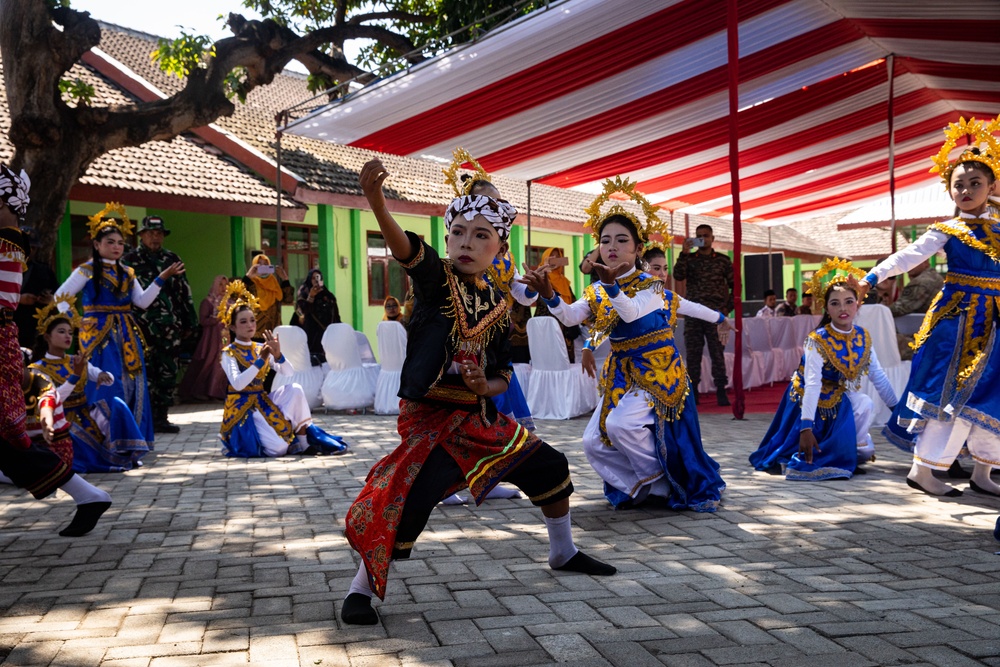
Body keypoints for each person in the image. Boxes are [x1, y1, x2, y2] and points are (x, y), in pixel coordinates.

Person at [341, 157, 615, 627]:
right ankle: (359, 589)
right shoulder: (437, 280)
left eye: (481, 235)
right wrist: (376, 202)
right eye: (459, 233)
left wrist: (480, 385)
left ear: (499, 249)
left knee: (551, 464)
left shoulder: (497, 301)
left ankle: (563, 552)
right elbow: (406, 249)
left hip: (478, 418)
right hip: (431, 421)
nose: (467, 242)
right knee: (408, 499)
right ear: (447, 241)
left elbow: (503, 375)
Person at [522, 176, 730, 513]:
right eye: (605, 240)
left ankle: (661, 481)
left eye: (622, 240)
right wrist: (548, 294)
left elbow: (633, 313)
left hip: (658, 368)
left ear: (637, 249)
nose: (612, 246)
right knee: (592, 442)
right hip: (621, 370)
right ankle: (648, 486)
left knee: (622, 425)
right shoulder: (597, 289)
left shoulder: (651, 285)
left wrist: (721, 319)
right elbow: (572, 317)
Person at [862, 117, 1000, 497]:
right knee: (950, 392)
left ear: (992, 187)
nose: (967, 190)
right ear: (950, 192)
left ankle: (984, 471)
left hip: (996, 322)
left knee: (993, 392)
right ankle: (923, 470)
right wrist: (872, 278)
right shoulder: (947, 230)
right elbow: (908, 256)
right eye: (959, 185)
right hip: (959, 322)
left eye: (976, 183)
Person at [0, 164, 112, 537]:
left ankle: (88, 494)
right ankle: (87, 495)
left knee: (9, 446)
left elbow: (4, 302)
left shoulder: (8, 241)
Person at [749, 262, 898, 480]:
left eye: (849, 302)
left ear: (858, 304)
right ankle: (829, 447)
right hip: (806, 400)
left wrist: (898, 411)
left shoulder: (862, 337)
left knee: (864, 403)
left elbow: (878, 377)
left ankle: (850, 452)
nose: (843, 309)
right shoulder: (817, 340)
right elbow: (812, 384)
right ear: (827, 309)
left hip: (836, 395)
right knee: (804, 450)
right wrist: (805, 428)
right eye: (835, 304)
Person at [55, 203, 183, 448]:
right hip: (98, 335)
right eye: (110, 242)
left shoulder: (127, 272)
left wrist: (162, 278)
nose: (116, 247)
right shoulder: (87, 270)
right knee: (104, 382)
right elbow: (61, 297)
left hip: (126, 332)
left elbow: (142, 302)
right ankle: (102, 439)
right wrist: (76, 322)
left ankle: (130, 438)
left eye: (120, 243)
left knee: (132, 382)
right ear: (97, 244)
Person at [217, 280, 347, 458]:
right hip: (242, 410)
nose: (250, 325)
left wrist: (278, 356)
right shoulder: (229, 353)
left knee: (295, 388)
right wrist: (261, 361)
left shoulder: (258, 347)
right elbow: (238, 384)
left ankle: (303, 443)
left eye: (252, 320)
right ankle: (267, 438)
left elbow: (289, 373)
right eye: (243, 322)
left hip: (261, 401)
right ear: (232, 327)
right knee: (278, 449)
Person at [29, 296, 149, 472]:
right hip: (62, 419)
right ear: (47, 336)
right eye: (62, 332)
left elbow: (101, 374)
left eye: (70, 333)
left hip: (86, 413)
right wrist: (75, 376)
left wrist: (102, 375)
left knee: (117, 404)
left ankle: (124, 451)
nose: (67, 336)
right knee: (77, 444)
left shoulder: (76, 360)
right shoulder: (38, 369)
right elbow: (54, 398)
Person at [122, 216, 198, 433]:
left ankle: (162, 417)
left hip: (168, 327)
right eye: (151, 233)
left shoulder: (172, 259)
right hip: (141, 326)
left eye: (159, 234)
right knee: (144, 372)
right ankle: (143, 418)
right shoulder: (129, 261)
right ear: (142, 235)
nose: (155, 237)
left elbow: (184, 291)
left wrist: (190, 321)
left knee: (167, 371)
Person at [672, 223, 733, 406]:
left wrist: (726, 308)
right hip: (694, 314)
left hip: (715, 313)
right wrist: (683, 252)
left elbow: (735, 284)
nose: (703, 239)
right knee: (693, 354)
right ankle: (694, 391)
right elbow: (678, 275)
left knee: (717, 353)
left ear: (713, 238)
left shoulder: (722, 260)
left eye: (706, 235)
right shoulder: (689, 259)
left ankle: (721, 390)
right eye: (699, 236)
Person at [177, 275, 230, 402]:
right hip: (211, 338)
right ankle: (201, 392)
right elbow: (203, 321)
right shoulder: (207, 302)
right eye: (220, 285)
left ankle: (217, 392)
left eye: (225, 284)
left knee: (224, 362)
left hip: (225, 338)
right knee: (209, 362)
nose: (223, 288)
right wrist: (218, 318)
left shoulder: (229, 302)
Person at [888, 260, 944, 361]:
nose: (908, 266)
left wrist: (879, 310)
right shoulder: (935, 277)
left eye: (912, 262)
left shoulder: (921, 282)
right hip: (937, 333)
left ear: (925, 263)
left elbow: (900, 308)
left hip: (923, 337)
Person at [533, 247, 580, 363]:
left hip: (566, 328)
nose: (554, 259)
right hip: (547, 327)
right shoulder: (540, 277)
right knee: (549, 362)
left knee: (566, 363)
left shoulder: (564, 281)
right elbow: (537, 298)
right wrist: (543, 272)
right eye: (551, 256)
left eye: (557, 257)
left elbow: (573, 302)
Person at [14, 226, 58, 347]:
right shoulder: (4, 269)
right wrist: (19, 299)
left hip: (36, 332)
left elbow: (60, 298)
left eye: (33, 248)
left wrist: (51, 300)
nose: (30, 251)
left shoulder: (44, 271)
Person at [293, 269, 340, 365]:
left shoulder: (328, 296)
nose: (315, 280)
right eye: (313, 278)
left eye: (318, 277)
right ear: (309, 280)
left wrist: (338, 330)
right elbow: (301, 312)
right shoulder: (304, 294)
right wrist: (311, 296)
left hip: (328, 334)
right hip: (312, 333)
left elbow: (335, 315)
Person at [241, 254, 293, 337]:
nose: (263, 267)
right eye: (259, 264)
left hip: (274, 332)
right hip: (255, 333)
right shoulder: (250, 284)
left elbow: (288, 300)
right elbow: (239, 296)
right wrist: (248, 276)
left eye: (266, 264)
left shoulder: (274, 283)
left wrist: (285, 279)